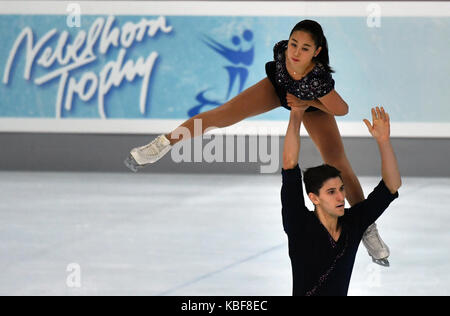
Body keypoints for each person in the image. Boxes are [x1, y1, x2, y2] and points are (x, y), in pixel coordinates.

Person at [124, 20, 390, 265]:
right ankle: (162, 145)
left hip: (312, 105)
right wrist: (290, 94)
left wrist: (307, 103)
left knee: (337, 160)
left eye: (305, 48)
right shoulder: (282, 52)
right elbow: (283, 67)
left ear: (316, 52)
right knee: (222, 114)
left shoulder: (318, 80)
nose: (295, 52)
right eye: (294, 44)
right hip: (279, 89)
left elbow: (342, 109)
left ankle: (367, 227)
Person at [281, 105, 401, 296]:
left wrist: (383, 141)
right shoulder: (299, 224)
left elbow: (391, 186)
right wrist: (296, 112)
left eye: (341, 189)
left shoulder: (352, 224)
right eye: (331, 192)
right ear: (314, 198)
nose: (341, 197)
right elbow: (289, 164)